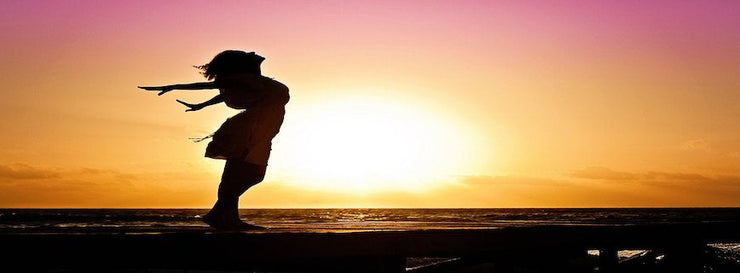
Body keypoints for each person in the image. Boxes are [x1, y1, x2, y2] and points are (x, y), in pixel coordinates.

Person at [139, 50, 289, 229]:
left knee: (244, 172)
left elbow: (223, 94)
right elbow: (205, 86)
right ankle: (223, 215)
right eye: (248, 54)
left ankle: (222, 215)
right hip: (250, 130)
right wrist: (174, 86)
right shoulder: (245, 78)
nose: (253, 52)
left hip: (259, 129)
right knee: (248, 172)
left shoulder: (256, 82)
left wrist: (201, 105)